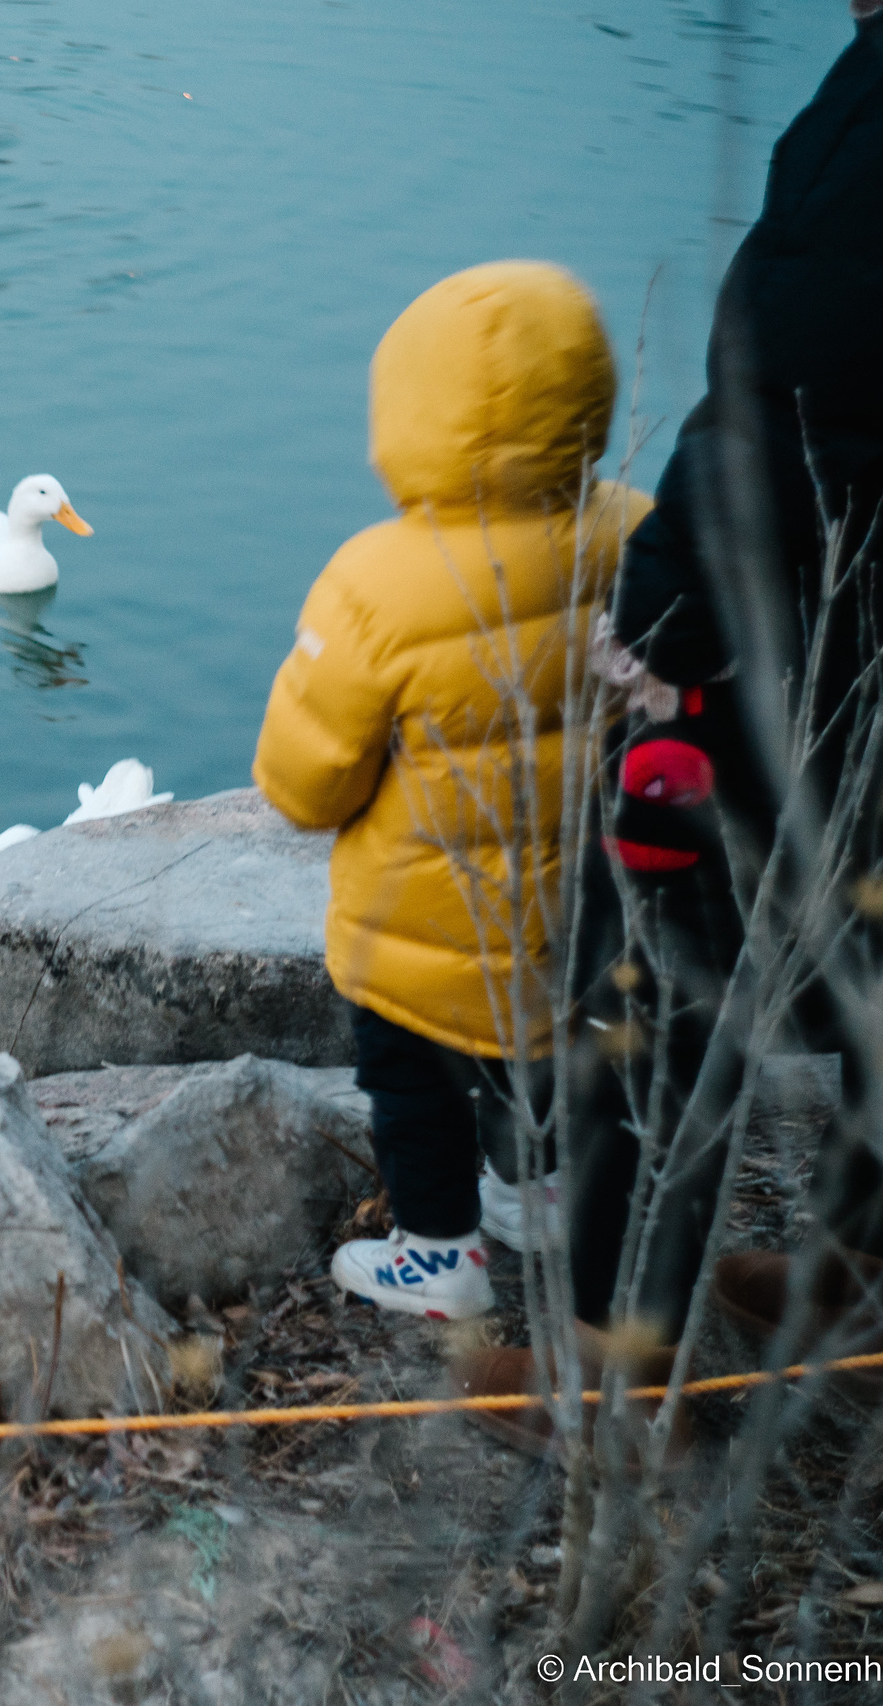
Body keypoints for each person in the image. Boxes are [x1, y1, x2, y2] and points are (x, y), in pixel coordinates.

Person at [453, 0, 883, 1445]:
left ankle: (612, 1360)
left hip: (826, 619)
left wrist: (661, 619)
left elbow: (791, 385)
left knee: (660, 951)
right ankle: (869, 1281)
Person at [253, 261, 651, 1320]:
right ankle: (535, 1192)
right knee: (542, 1053)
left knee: (413, 1087)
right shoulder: (637, 530)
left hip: (415, 931)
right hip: (582, 913)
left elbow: (306, 780)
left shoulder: (372, 581)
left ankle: (438, 1256)